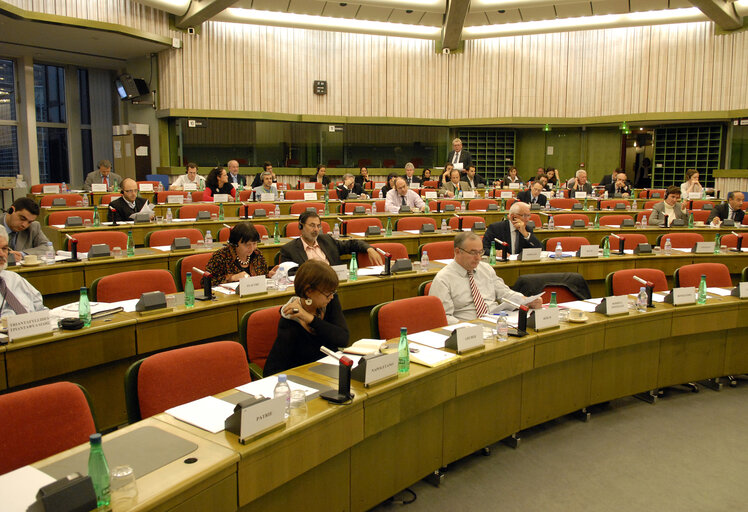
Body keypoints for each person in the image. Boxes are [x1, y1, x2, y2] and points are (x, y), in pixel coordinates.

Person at [430, 231, 542, 324]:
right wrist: (468, 327)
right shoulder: (443, 279)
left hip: (495, 321)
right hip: (468, 326)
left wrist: (526, 300)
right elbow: (444, 317)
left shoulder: (486, 269)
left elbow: (505, 293)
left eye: (480, 252)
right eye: (473, 253)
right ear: (457, 251)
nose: (478, 258)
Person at [263, 260, 348, 376]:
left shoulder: (329, 302)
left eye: (333, 292)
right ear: (308, 291)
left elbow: (343, 339)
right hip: (304, 379)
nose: (332, 297)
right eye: (328, 293)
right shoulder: (290, 319)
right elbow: (271, 371)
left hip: (331, 372)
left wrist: (311, 319)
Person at [279, 211, 383, 266]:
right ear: (300, 226)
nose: (316, 229)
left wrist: (369, 248)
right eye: (311, 225)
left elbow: (352, 244)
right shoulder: (289, 250)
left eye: (318, 226)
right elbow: (289, 276)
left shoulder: (327, 240)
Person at [206, 222, 276, 286]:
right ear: (235, 243)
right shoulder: (221, 256)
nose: (252, 248)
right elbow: (206, 282)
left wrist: (268, 275)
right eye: (247, 245)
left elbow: (262, 276)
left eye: (254, 243)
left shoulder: (257, 254)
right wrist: (231, 278)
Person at [0, 231, 46, 317]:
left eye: (4, 249)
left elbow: (40, 307)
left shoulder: (14, 278)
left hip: (35, 326)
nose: (2, 254)